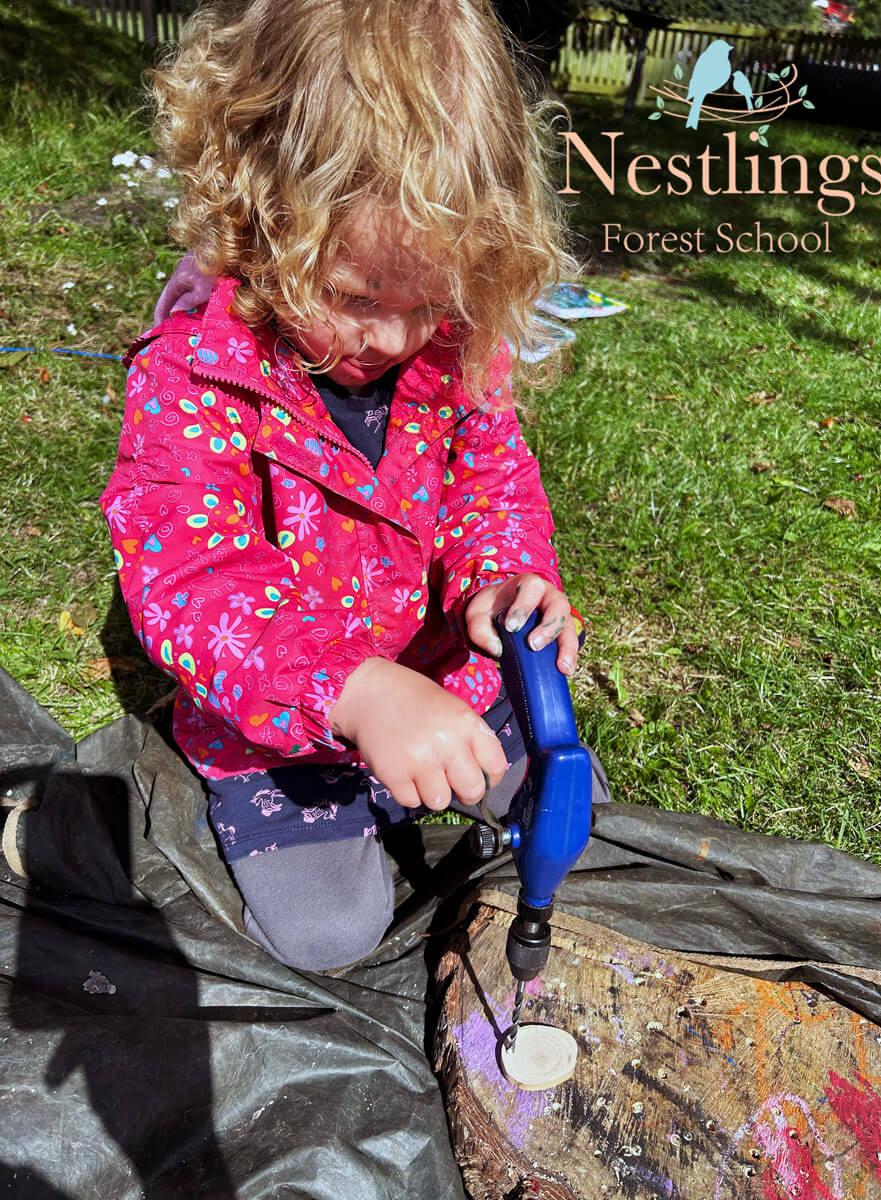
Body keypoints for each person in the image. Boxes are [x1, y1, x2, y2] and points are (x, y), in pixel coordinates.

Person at [100, 0, 609, 973]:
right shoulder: (194, 377)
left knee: (561, 805)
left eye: (427, 303)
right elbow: (192, 582)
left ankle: (440, 761)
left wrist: (503, 582)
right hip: (280, 720)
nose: (392, 338)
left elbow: (491, 482)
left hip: (429, 670)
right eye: (353, 299)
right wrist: (346, 691)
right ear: (261, 218)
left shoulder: (452, 345)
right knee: (330, 934)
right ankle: (339, 797)